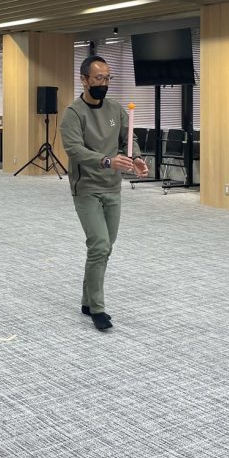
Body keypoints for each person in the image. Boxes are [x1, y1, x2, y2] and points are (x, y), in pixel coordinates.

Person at [59, 55, 148, 332]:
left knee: (105, 247)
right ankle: (97, 308)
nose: (104, 83)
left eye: (107, 78)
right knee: (99, 245)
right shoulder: (73, 113)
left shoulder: (116, 109)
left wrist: (136, 158)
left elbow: (129, 138)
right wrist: (107, 161)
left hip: (112, 187)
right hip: (86, 188)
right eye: (98, 78)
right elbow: (75, 150)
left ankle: (87, 300)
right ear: (84, 80)